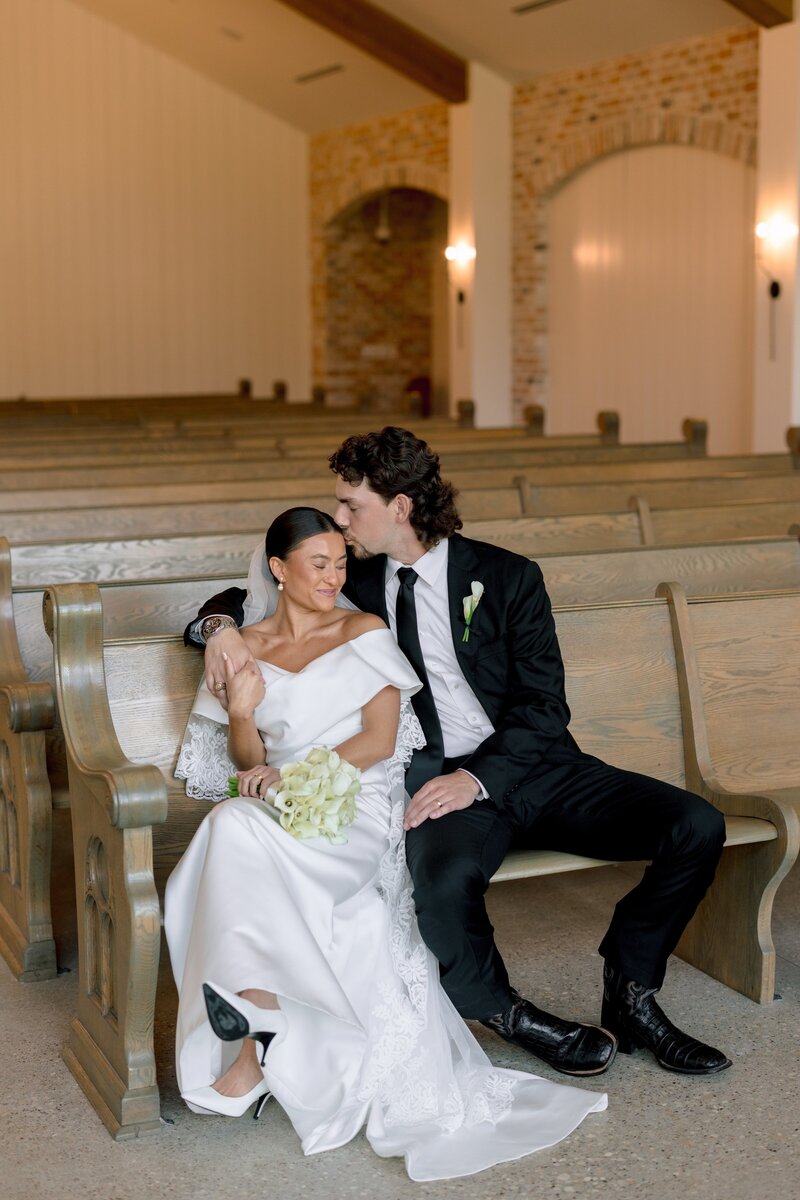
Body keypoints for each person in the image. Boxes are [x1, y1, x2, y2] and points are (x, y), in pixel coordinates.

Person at [186, 428, 731, 1080]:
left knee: (695, 825)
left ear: (400, 508)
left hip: (537, 766)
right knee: (441, 883)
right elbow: (244, 596)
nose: (339, 520)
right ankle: (509, 1016)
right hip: (432, 776)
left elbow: (543, 709)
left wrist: (480, 777)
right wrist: (219, 630)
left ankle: (633, 993)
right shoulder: (350, 576)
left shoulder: (506, 577)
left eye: (351, 506)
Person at [167, 506, 607, 1181]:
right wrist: (243, 711)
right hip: (275, 801)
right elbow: (240, 762)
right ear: (278, 570)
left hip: (356, 800)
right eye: (319, 564)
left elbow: (377, 742)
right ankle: (258, 1016)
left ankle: (255, 1030)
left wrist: (299, 777)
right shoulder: (244, 645)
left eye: (340, 563)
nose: (334, 576)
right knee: (230, 823)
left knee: (239, 834)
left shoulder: (364, 629)